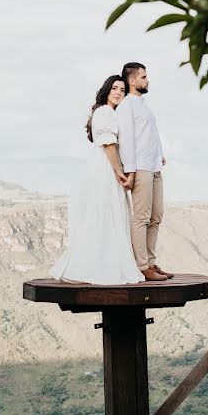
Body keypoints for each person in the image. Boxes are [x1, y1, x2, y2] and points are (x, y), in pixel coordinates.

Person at [49, 75, 145, 285]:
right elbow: (108, 144)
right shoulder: (104, 111)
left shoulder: (111, 113)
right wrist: (119, 170)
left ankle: (106, 262)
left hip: (105, 165)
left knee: (109, 212)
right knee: (107, 211)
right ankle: (103, 266)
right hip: (105, 167)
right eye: (114, 88)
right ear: (106, 91)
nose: (119, 92)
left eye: (122, 89)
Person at [117, 62, 174, 282]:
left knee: (156, 215)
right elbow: (127, 140)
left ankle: (151, 262)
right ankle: (142, 266)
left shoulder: (145, 106)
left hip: (154, 167)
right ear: (132, 80)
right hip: (140, 168)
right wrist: (130, 170)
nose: (147, 80)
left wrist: (159, 154)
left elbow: (152, 134)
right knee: (141, 217)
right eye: (143, 77)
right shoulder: (127, 106)